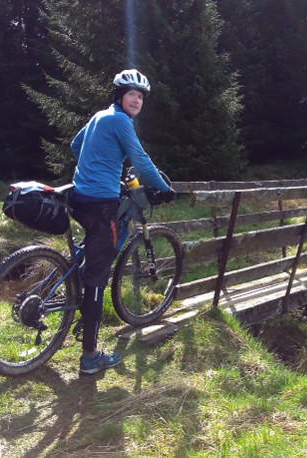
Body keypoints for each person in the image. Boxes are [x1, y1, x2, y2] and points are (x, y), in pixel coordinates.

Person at [69, 69, 176, 375]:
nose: (137, 100)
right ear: (120, 96)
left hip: (80, 197)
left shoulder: (99, 117)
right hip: (100, 204)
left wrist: (100, 167)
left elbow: (76, 148)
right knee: (98, 278)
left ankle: (79, 281)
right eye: (132, 94)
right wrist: (166, 190)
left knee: (94, 251)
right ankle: (90, 358)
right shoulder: (120, 120)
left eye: (141, 97)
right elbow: (141, 161)